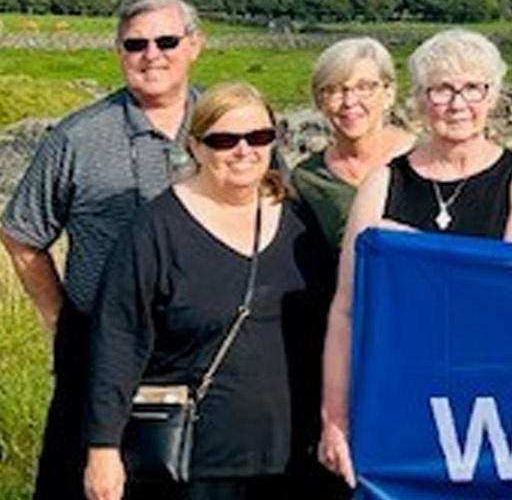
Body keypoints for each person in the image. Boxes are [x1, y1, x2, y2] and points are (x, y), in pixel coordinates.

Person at [316, 30, 512, 488]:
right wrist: (335, 418)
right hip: (402, 391)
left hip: (495, 394)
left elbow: (511, 287)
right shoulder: (384, 182)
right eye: (441, 89)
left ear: (493, 96)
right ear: (420, 101)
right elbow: (346, 309)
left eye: (472, 88)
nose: (457, 103)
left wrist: (408, 243)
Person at [82, 83, 332, 500]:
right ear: (195, 147)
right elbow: (118, 339)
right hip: (193, 463)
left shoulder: (297, 220)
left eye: (259, 137)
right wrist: (103, 448)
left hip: (294, 454)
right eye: (224, 140)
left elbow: (331, 326)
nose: (244, 151)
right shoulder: (157, 229)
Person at [3, 0, 204, 500]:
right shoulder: (79, 138)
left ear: (194, 45)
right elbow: (22, 231)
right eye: (135, 44)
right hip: (97, 345)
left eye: (166, 41)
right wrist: (60, 318)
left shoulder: (225, 127)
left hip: (201, 351)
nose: (151, 55)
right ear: (119, 52)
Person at [289, 38, 413, 250]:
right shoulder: (308, 179)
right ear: (320, 102)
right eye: (334, 90)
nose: (349, 101)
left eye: (364, 87)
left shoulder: (424, 161)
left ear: (389, 93)